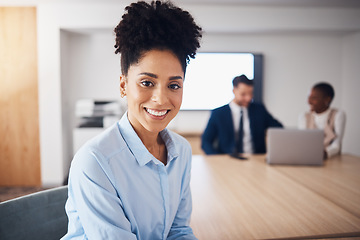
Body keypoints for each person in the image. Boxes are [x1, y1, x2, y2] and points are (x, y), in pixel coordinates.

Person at [61, 1, 202, 239]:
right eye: (147, 82)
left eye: (174, 85)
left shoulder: (181, 152)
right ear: (124, 85)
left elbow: (178, 231)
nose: (160, 99)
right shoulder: (95, 162)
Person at [201, 74, 283, 155]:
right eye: (243, 94)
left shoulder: (259, 110)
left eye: (250, 94)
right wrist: (218, 159)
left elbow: (279, 128)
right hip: (228, 160)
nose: (248, 98)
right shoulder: (218, 114)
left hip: (256, 159)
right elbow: (205, 142)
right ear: (234, 91)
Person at [298, 82, 346, 159]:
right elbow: (302, 143)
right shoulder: (304, 116)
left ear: (327, 99)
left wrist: (325, 153)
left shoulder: (338, 115)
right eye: (309, 97)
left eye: (314, 98)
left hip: (332, 161)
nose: (309, 101)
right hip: (309, 159)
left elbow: (336, 145)